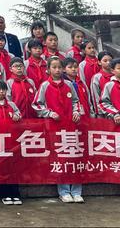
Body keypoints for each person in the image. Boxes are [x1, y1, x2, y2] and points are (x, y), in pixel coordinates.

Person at [32, 56, 82, 203]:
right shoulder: (44, 86)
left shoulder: (69, 85)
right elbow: (36, 104)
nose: (57, 70)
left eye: (59, 67)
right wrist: (49, 113)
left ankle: (77, 190)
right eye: (54, 67)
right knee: (59, 158)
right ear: (48, 69)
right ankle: (64, 190)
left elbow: (76, 102)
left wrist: (76, 112)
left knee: (74, 157)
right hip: (54, 127)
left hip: (71, 127)